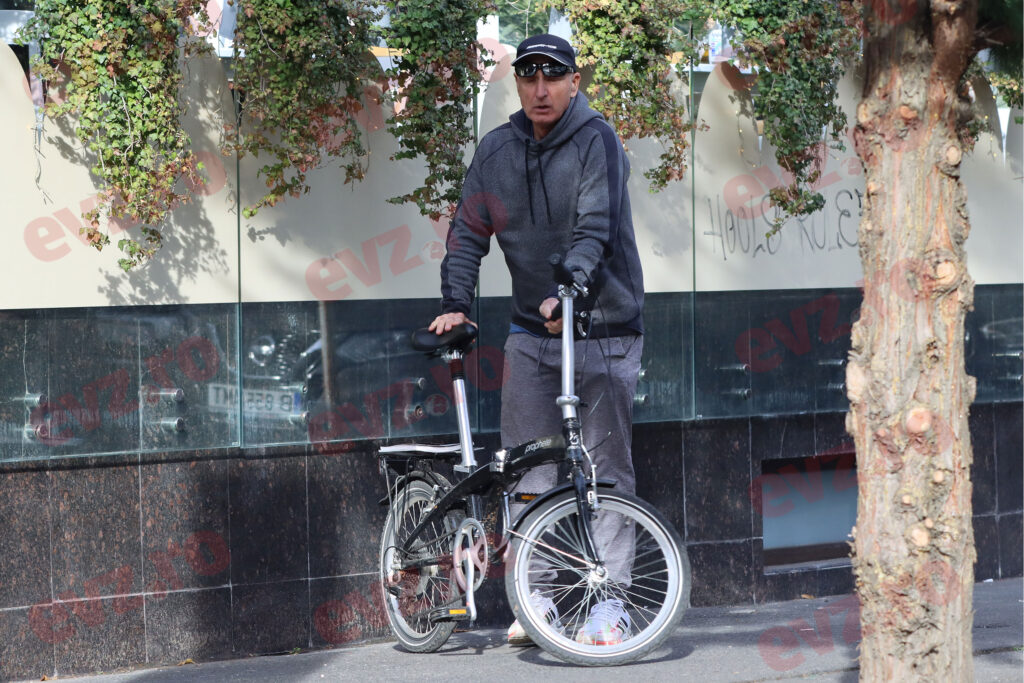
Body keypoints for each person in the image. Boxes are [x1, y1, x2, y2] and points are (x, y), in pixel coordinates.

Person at [429, 33, 645, 648]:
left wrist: (570, 290)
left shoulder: (596, 140)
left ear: (575, 81)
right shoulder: (497, 152)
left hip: (603, 329)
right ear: (517, 83)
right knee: (529, 473)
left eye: (554, 77)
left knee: (603, 470)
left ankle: (611, 604)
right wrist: (456, 305)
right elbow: (468, 233)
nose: (541, 89)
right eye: (529, 77)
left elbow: (593, 229)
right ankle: (537, 599)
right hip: (531, 332)